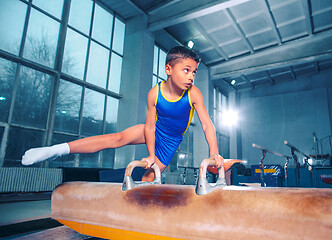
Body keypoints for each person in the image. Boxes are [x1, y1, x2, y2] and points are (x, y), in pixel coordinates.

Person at [22, 46, 224, 181]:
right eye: (186, 70)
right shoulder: (155, 93)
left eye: (194, 72)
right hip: (154, 130)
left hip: (172, 141)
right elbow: (150, 126)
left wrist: (213, 151)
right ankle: (57, 150)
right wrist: (151, 154)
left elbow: (206, 124)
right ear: (168, 69)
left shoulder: (194, 94)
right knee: (118, 138)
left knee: (149, 177)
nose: (191, 76)